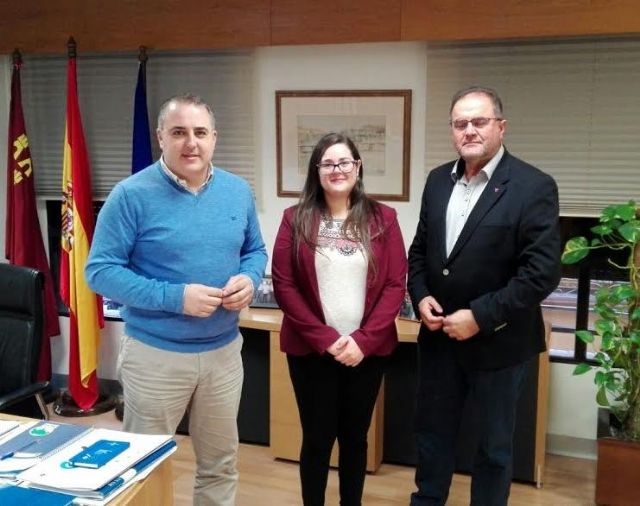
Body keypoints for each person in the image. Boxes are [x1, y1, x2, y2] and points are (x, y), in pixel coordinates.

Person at [85, 93, 267, 506]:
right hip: (155, 358)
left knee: (220, 465)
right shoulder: (130, 195)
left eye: (200, 132)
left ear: (214, 138)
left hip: (223, 355)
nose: (191, 143)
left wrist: (249, 277)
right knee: (143, 468)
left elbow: (254, 250)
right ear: (161, 138)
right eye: (179, 132)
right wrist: (176, 298)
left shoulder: (238, 191)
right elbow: (100, 272)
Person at [407, 86, 561, 505]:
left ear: (501, 126)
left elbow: (541, 274)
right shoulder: (437, 181)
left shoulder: (533, 186)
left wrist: (479, 316)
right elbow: (420, 252)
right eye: (460, 123)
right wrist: (420, 295)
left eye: (479, 121)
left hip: (500, 344)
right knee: (431, 437)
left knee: (493, 449)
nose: (469, 130)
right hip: (439, 341)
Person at [272, 132, 407, 506]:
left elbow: (395, 285)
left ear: (357, 167)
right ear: (316, 171)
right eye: (328, 163)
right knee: (317, 440)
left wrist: (362, 341)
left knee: (355, 438)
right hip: (311, 351)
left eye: (344, 162)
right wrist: (327, 339)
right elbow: (284, 285)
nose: (337, 169)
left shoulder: (383, 219)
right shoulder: (294, 219)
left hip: (366, 353)